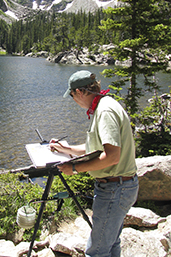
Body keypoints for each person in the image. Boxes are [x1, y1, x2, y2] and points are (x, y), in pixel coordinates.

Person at [49, 70, 139, 257]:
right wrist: (67, 149)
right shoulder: (103, 105)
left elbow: (112, 156)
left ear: (80, 92)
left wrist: (74, 168)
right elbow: (96, 148)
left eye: (72, 95)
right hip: (119, 186)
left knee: (97, 251)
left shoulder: (105, 111)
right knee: (111, 243)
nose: (73, 100)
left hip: (115, 188)